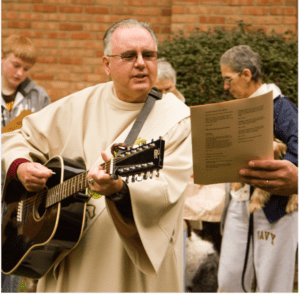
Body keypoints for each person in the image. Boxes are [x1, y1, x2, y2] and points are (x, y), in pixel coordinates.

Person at [1, 19, 192, 293]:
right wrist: (21, 167)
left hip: (131, 269)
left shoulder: (177, 119)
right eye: (129, 56)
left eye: (148, 55)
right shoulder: (78, 105)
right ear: (106, 64)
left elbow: (167, 189)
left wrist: (121, 190)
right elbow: (15, 136)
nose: (140, 63)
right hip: (71, 258)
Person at [217, 45, 299, 292]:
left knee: (272, 284)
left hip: (276, 207)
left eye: (227, 79)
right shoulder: (237, 108)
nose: (225, 86)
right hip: (239, 202)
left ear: (246, 74)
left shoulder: (281, 108)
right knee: (229, 279)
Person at [1, 35, 51, 293]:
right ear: (2, 58)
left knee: (12, 266)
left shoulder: (38, 97)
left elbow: (47, 141)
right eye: (15, 64)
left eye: (26, 69)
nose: (20, 73)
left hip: (17, 195)